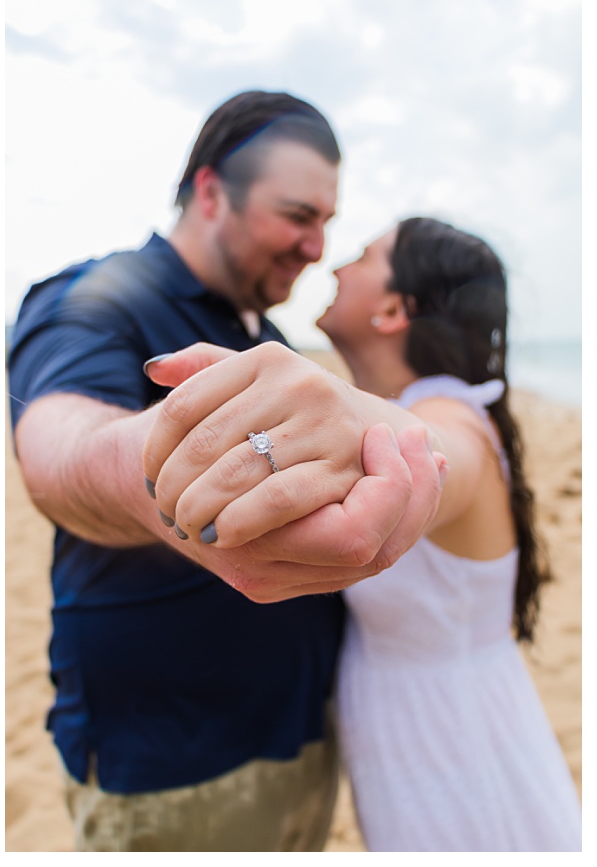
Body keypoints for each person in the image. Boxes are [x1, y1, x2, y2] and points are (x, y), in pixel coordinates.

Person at [7, 91, 444, 851]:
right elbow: (58, 450)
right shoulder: (98, 298)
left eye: (327, 225)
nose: (315, 246)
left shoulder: (270, 336)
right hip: (175, 768)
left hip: (306, 743)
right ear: (211, 192)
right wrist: (168, 476)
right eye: (298, 215)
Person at [144, 218, 581, 851]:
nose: (339, 265)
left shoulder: (450, 414)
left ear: (393, 309)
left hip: (454, 747)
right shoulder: (424, 401)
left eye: (365, 255)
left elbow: (431, 451)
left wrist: (342, 419)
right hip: (412, 734)